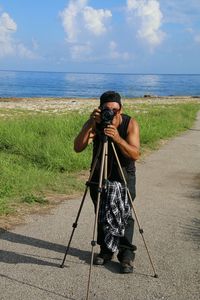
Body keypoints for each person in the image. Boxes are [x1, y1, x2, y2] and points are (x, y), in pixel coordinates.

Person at [74, 91, 140, 273]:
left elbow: (135, 154)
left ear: (121, 110)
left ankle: (126, 254)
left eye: (115, 110)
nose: (111, 113)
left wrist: (117, 138)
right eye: (106, 110)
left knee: (125, 212)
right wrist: (89, 124)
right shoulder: (96, 123)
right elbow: (78, 147)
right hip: (99, 174)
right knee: (101, 211)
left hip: (123, 174)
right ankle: (105, 250)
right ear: (100, 109)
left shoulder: (130, 123)